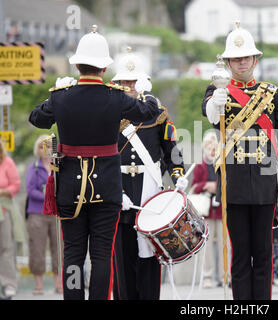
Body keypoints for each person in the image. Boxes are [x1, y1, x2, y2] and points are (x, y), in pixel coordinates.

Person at [28, 25, 163, 300]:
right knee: (102, 255)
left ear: (76, 65)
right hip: (107, 189)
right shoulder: (115, 97)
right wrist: (146, 92)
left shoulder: (61, 95)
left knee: (74, 255)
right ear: (104, 69)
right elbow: (149, 113)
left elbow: (37, 118)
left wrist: (56, 96)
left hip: (69, 188)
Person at [201, 22, 278, 300]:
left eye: (246, 57)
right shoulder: (217, 90)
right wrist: (216, 101)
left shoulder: (272, 93)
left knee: (264, 254)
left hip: (267, 185)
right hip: (234, 185)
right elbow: (208, 115)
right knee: (241, 255)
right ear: (228, 62)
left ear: (255, 60)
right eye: (236, 58)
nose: (242, 62)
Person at [111, 47, 187, 300]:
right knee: (123, 259)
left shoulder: (158, 112)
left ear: (142, 81)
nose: (129, 86)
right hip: (120, 190)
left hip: (150, 192)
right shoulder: (109, 115)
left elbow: (171, 151)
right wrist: (114, 190)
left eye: (133, 81)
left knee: (151, 258)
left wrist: (178, 176)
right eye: (124, 81)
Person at [25, 135, 61, 295]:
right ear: (37, 149)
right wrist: (48, 196)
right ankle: (38, 285)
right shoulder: (33, 168)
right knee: (37, 249)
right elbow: (30, 190)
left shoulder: (58, 166)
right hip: (37, 213)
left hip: (56, 213)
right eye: (41, 146)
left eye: (48, 146)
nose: (45, 150)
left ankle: (59, 284)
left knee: (58, 249)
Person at [191, 132, 227, 288]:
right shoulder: (200, 166)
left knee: (225, 244)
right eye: (209, 148)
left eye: (215, 148)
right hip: (206, 211)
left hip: (222, 210)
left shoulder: (225, 163)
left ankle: (225, 276)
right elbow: (194, 186)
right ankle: (207, 276)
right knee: (205, 244)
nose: (212, 151)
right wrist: (206, 185)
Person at [0, 140, 21, 299]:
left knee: (6, 248)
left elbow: (16, 184)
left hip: (4, 209)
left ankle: (9, 285)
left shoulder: (7, 162)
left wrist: (3, 191)